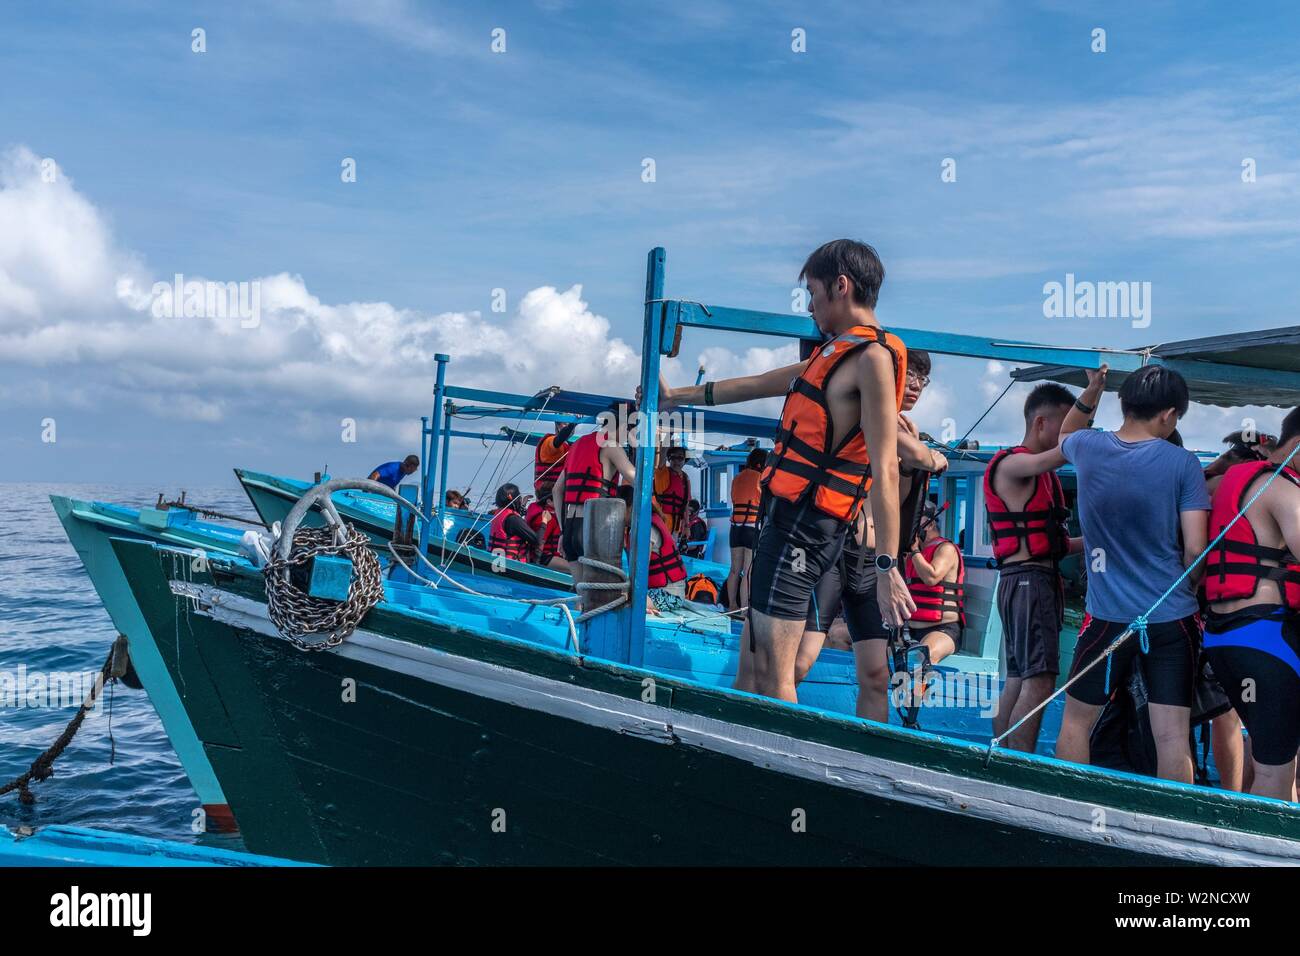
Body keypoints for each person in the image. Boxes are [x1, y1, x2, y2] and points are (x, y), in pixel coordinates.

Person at [661, 239, 913, 704]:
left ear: (841, 286)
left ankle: (771, 770)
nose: (812, 307)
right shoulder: (833, 354)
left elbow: (885, 470)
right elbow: (758, 383)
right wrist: (675, 396)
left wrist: (886, 568)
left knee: (776, 681)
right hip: (783, 524)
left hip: (805, 528)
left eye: (813, 293)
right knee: (752, 672)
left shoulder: (874, 359)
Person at [1048, 365, 1208, 783]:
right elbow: (1195, 548)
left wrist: (1092, 389)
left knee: (1076, 723)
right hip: (1171, 617)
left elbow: (1065, 434)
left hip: (1105, 619)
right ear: (1170, 415)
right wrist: (1186, 586)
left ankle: (1069, 809)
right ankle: (1174, 828)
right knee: (1171, 736)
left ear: (1124, 403)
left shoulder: (1087, 447)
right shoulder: (1183, 463)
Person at [792, 349, 947, 721]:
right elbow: (929, 460)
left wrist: (911, 461)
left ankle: (867, 756)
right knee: (800, 662)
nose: (915, 385)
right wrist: (927, 457)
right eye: (910, 374)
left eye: (922, 379)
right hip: (835, 553)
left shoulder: (908, 434)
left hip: (874, 565)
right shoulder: (866, 416)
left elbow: (898, 502)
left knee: (877, 675)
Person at [1202, 407, 1300, 800]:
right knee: (1276, 772)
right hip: (1264, 642)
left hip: (1225, 640)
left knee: (1272, 758)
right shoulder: (1281, 488)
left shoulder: (1227, 481)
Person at [982, 382, 1083, 752]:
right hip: (1029, 583)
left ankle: (1004, 756)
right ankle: (1019, 765)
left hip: (1024, 580)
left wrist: (1101, 541)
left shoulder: (1043, 476)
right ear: (1041, 422)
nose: (1072, 437)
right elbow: (1061, 454)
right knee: (1039, 680)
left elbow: (1055, 546)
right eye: (1067, 426)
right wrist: (1095, 391)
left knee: (1018, 677)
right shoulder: (1015, 463)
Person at [552, 400, 639, 591]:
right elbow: (637, 480)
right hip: (592, 528)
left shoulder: (577, 445)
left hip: (570, 530)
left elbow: (557, 490)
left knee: (581, 596)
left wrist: (562, 530)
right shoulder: (611, 446)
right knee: (598, 597)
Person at [904, 501, 965, 666]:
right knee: (838, 635)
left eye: (915, 520)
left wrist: (914, 550)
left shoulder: (946, 548)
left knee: (921, 656)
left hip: (943, 630)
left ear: (930, 524)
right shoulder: (912, 554)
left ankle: (919, 692)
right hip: (909, 630)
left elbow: (931, 577)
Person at [615, 485, 687, 600]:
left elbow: (641, 568)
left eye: (617, 510)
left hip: (669, 594)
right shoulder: (634, 527)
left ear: (630, 507)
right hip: (653, 589)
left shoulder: (646, 528)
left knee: (617, 599)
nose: (615, 516)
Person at [725, 448, 767, 609]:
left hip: (735, 528)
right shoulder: (762, 479)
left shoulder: (737, 478)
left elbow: (734, 498)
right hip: (751, 528)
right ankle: (744, 610)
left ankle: (732, 606)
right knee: (748, 571)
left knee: (735, 570)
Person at [486, 483, 539, 564]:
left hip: (496, 562)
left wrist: (521, 507)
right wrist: (544, 523)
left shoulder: (498, 514)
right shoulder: (513, 519)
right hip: (511, 565)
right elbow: (535, 539)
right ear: (515, 499)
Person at [654, 446, 692, 543]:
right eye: (673, 457)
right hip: (660, 522)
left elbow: (686, 504)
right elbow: (661, 461)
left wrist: (687, 526)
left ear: (684, 460)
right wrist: (667, 439)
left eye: (680, 458)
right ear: (669, 459)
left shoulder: (686, 478)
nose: (676, 461)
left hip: (676, 526)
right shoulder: (663, 472)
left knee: (671, 552)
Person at [524, 490, 568, 572]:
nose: (563, 501)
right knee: (575, 570)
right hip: (544, 557)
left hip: (550, 555)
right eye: (560, 498)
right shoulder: (547, 517)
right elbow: (541, 542)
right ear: (549, 501)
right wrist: (535, 564)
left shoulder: (553, 515)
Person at [535, 420, 577, 499]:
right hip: (547, 494)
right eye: (565, 423)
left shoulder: (568, 445)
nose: (571, 429)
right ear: (557, 426)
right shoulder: (548, 441)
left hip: (560, 493)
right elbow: (558, 440)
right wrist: (573, 424)